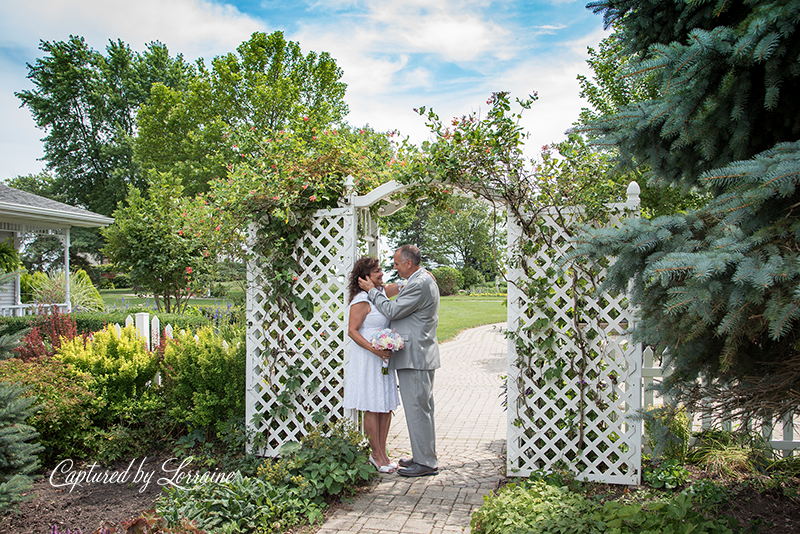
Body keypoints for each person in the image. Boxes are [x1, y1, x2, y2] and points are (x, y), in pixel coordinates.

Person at [358, 244, 440, 477]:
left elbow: (393, 311)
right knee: (421, 409)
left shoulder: (420, 282)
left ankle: (426, 463)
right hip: (417, 355)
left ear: (408, 264)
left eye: (396, 263)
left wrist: (373, 290)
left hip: (415, 356)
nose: (393, 267)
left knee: (418, 409)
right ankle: (423, 455)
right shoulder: (419, 279)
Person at [344, 256, 401, 473]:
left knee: (385, 405)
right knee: (372, 405)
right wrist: (374, 349)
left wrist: (420, 275)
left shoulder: (380, 293)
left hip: (383, 358)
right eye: (377, 271)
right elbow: (352, 331)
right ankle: (375, 455)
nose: (382, 274)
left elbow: (403, 285)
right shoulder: (361, 300)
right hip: (369, 358)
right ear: (365, 277)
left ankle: (383, 453)